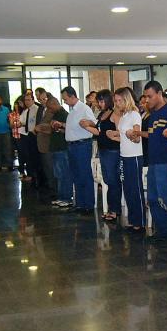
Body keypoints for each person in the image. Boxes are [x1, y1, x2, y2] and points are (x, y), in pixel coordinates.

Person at [139, 81, 167, 245]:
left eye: (150, 96)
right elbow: (153, 135)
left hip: (165, 161)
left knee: (166, 197)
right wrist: (139, 134)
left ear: (159, 93)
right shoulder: (152, 116)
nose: (147, 100)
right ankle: (162, 231)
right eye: (145, 97)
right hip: (153, 161)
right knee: (152, 198)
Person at [112, 87, 145, 233]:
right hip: (124, 155)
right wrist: (115, 134)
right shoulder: (124, 115)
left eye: (120, 100)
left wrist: (130, 133)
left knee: (135, 189)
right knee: (128, 189)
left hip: (134, 156)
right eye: (116, 101)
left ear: (126, 100)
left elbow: (137, 138)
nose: (117, 103)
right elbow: (124, 136)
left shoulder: (134, 114)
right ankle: (133, 220)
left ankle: (139, 221)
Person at [62, 86, 97, 215]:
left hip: (82, 145)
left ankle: (88, 204)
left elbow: (94, 122)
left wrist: (87, 122)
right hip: (72, 146)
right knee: (76, 175)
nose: (64, 102)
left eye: (65, 99)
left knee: (84, 175)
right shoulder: (72, 111)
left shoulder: (84, 108)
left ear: (72, 96)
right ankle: (80, 203)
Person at [93, 90, 122, 221]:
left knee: (113, 180)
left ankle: (115, 210)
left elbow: (120, 131)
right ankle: (112, 209)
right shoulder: (102, 114)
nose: (100, 103)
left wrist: (112, 134)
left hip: (113, 150)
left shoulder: (114, 113)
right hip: (103, 149)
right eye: (98, 101)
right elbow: (98, 131)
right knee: (107, 180)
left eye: (102, 100)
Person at [43, 96, 71, 208]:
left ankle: (66, 197)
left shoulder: (64, 115)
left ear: (55, 104)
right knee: (58, 175)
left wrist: (59, 128)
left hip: (62, 148)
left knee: (64, 174)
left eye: (50, 108)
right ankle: (61, 197)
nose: (50, 110)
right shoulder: (55, 115)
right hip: (55, 148)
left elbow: (69, 130)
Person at [33, 88, 56, 198]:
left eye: (44, 99)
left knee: (50, 167)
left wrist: (40, 128)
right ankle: (49, 186)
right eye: (40, 99)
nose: (41, 101)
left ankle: (54, 189)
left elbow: (52, 125)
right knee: (46, 167)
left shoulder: (52, 110)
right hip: (41, 142)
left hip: (49, 142)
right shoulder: (42, 109)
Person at [18, 90, 40, 183]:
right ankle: (31, 174)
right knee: (28, 156)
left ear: (33, 100)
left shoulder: (36, 109)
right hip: (27, 134)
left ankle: (34, 175)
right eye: (25, 100)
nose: (27, 102)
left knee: (33, 156)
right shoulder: (27, 110)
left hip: (33, 134)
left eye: (29, 100)